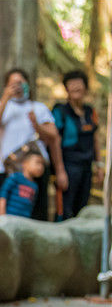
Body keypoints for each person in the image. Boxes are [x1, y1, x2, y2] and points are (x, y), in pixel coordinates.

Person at [0, 68, 67, 221]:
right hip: (6, 169)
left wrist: (36, 125)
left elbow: (54, 136)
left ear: (28, 84)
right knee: (5, 212)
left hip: (35, 170)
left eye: (20, 82)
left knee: (37, 214)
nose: (17, 86)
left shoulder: (39, 108)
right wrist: (6, 97)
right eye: (12, 83)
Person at [52, 70, 100, 219]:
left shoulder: (90, 111)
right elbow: (55, 141)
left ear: (86, 87)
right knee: (64, 210)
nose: (76, 87)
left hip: (86, 166)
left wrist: (99, 165)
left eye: (79, 84)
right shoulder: (60, 111)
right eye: (71, 84)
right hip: (68, 166)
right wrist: (59, 170)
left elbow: (95, 138)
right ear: (66, 88)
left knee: (82, 208)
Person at [0, 151, 45, 218]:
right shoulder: (15, 177)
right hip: (8, 218)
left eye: (42, 164)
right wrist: (1, 212)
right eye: (37, 163)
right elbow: (3, 194)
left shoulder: (35, 186)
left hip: (23, 221)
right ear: (25, 163)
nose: (40, 167)